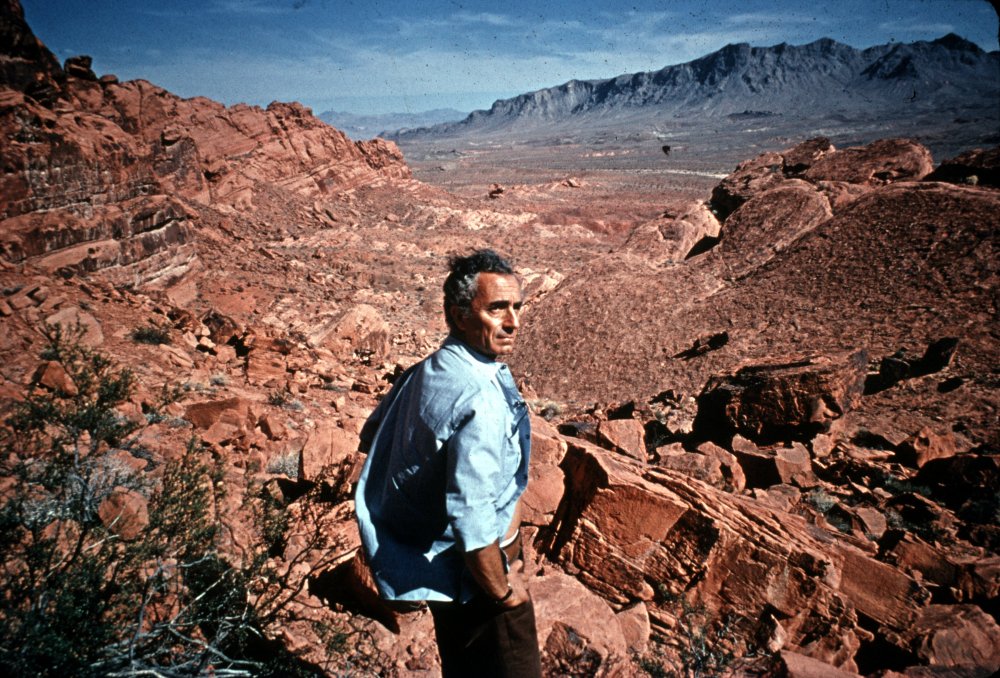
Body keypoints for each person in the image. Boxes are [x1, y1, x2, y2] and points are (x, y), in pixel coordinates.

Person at [354, 249, 542, 678]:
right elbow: (472, 518)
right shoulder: (479, 398)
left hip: (443, 576)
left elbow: (374, 435)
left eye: (517, 307)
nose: (513, 321)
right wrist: (503, 593)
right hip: (477, 583)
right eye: (497, 308)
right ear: (460, 316)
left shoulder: (429, 370)